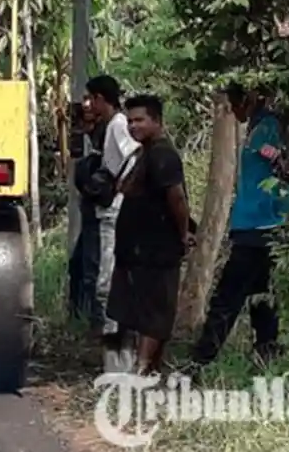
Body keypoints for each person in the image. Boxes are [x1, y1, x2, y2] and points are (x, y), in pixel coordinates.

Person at [190, 84, 289, 369]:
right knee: (262, 296)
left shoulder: (267, 128)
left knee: (227, 298)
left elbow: (282, 164)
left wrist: (280, 191)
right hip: (261, 225)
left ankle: (201, 360)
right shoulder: (261, 127)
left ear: (248, 100)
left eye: (235, 103)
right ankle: (266, 356)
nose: (233, 110)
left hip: (259, 226)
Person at [108, 94, 193, 375]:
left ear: (157, 121)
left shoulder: (163, 155)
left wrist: (184, 233)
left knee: (156, 313)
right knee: (142, 310)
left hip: (158, 247)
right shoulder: (143, 153)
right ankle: (143, 368)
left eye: (140, 120)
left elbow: (177, 199)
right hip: (137, 248)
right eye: (130, 121)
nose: (133, 126)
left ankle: (142, 369)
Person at [84, 74, 140, 369]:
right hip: (112, 211)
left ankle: (117, 362)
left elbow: (134, 156)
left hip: (115, 212)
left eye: (91, 99)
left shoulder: (118, 124)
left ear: (100, 99)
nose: (88, 105)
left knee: (107, 284)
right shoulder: (109, 126)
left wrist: (120, 186)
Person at [70, 95, 107, 326]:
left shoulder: (109, 136)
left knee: (92, 268)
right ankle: (80, 315)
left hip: (101, 213)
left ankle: (95, 319)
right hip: (92, 213)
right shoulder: (95, 144)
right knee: (79, 265)